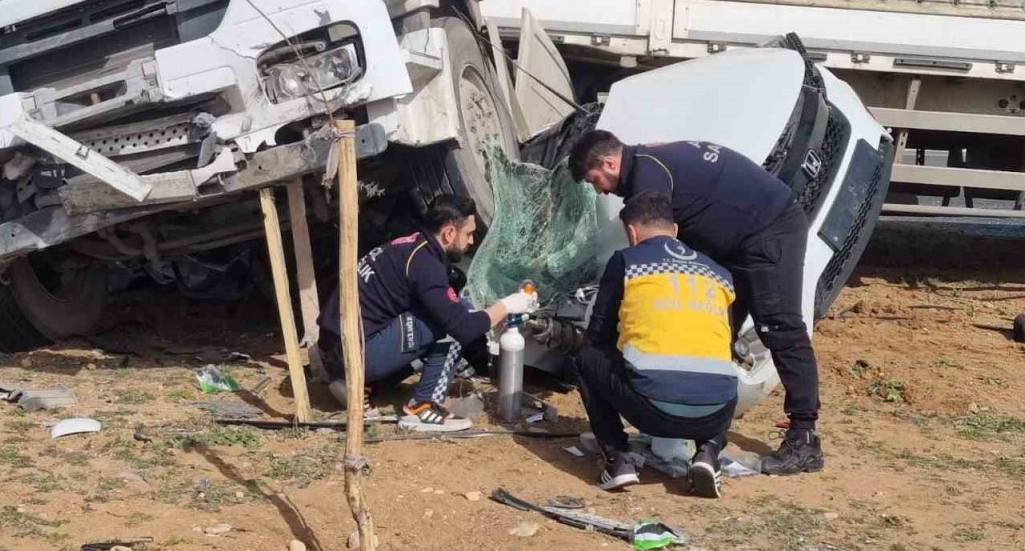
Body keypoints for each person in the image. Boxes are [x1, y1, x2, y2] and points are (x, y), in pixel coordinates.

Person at [568, 128, 823, 475]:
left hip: (770, 228)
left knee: (779, 325)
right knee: (713, 333)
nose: (597, 189)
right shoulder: (646, 162)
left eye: (592, 178)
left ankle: (804, 437)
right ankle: (695, 433)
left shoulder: (649, 176)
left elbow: (649, 251)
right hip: (735, 241)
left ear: (609, 162)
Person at [317, 194, 538, 432]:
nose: (472, 241)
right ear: (449, 233)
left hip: (334, 348)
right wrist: (508, 305)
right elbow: (462, 326)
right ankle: (422, 407)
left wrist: (489, 316)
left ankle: (362, 385)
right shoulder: (425, 264)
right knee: (451, 326)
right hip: (352, 355)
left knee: (452, 311)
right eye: (469, 234)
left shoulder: (412, 245)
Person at [574, 192, 737, 498]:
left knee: (587, 356)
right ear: (675, 230)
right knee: (717, 364)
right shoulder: (720, 273)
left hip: (652, 410)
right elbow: (727, 340)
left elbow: (599, 334)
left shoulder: (627, 262)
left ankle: (618, 459)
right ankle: (709, 453)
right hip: (716, 410)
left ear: (631, 232)